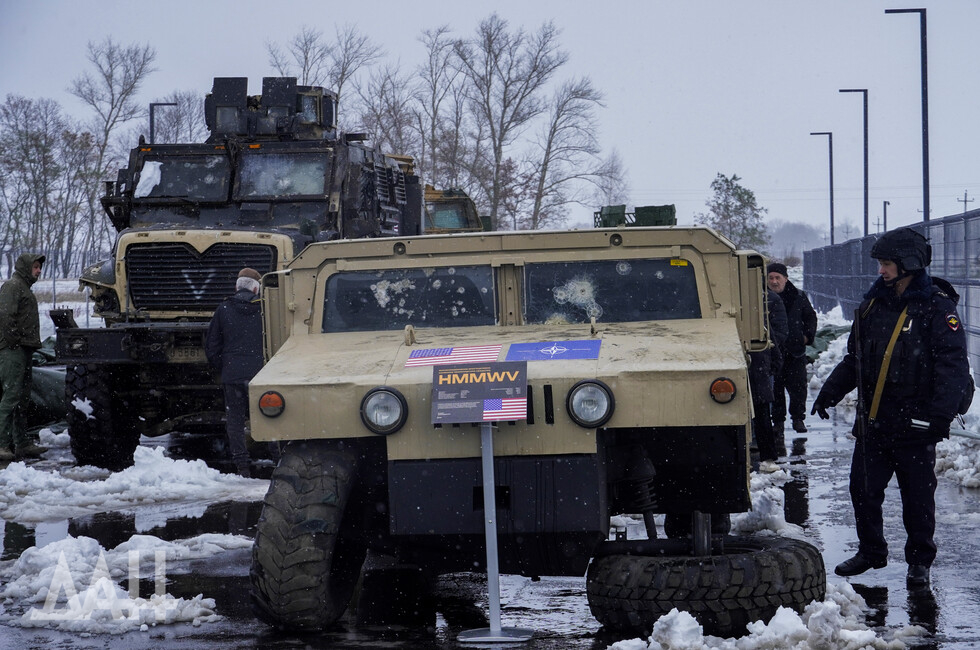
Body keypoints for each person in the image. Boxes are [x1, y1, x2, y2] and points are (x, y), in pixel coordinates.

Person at [811, 228, 971, 587]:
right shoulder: (872, 305)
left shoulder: (936, 307)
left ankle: (919, 562)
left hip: (915, 426)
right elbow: (856, 359)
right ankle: (871, 551)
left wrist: (938, 418)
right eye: (880, 264)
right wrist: (829, 392)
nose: (881, 271)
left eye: (886, 264)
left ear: (909, 264)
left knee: (917, 500)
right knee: (862, 490)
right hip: (875, 423)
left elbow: (953, 368)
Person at [205, 268, 264, 477]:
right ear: (257, 288)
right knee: (269, 417)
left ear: (236, 287)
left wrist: (226, 366)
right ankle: (279, 460)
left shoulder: (223, 309)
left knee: (235, 421)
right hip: (262, 375)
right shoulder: (265, 309)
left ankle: (242, 466)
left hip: (233, 375)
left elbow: (212, 347)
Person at [0, 253, 47, 461]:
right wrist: (13, 342)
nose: (38, 271)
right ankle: (2, 444)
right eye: (35, 267)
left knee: (22, 399)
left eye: (39, 267)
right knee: (11, 396)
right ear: (26, 267)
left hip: (24, 349)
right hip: (13, 350)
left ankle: (22, 443)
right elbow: (5, 316)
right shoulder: (13, 286)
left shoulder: (24, 288)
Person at [767, 262, 817, 438]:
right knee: (776, 389)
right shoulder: (763, 298)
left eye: (777, 278)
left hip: (795, 351)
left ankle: (798, 418)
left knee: (798, 387)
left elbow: (811, 317)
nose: (774, 281)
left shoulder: (798, 296)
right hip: (773, 351)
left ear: (785, 279)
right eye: (771, 278)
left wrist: (806, 336)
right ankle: (778, 422)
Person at [751, 288, 788, 472]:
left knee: (760, 412)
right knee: (762, 411)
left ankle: (760, 454)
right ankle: (768, 457)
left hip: (757, 365)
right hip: (759, 364)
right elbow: (771, 336)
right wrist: (774, 362)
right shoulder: (755, 308)